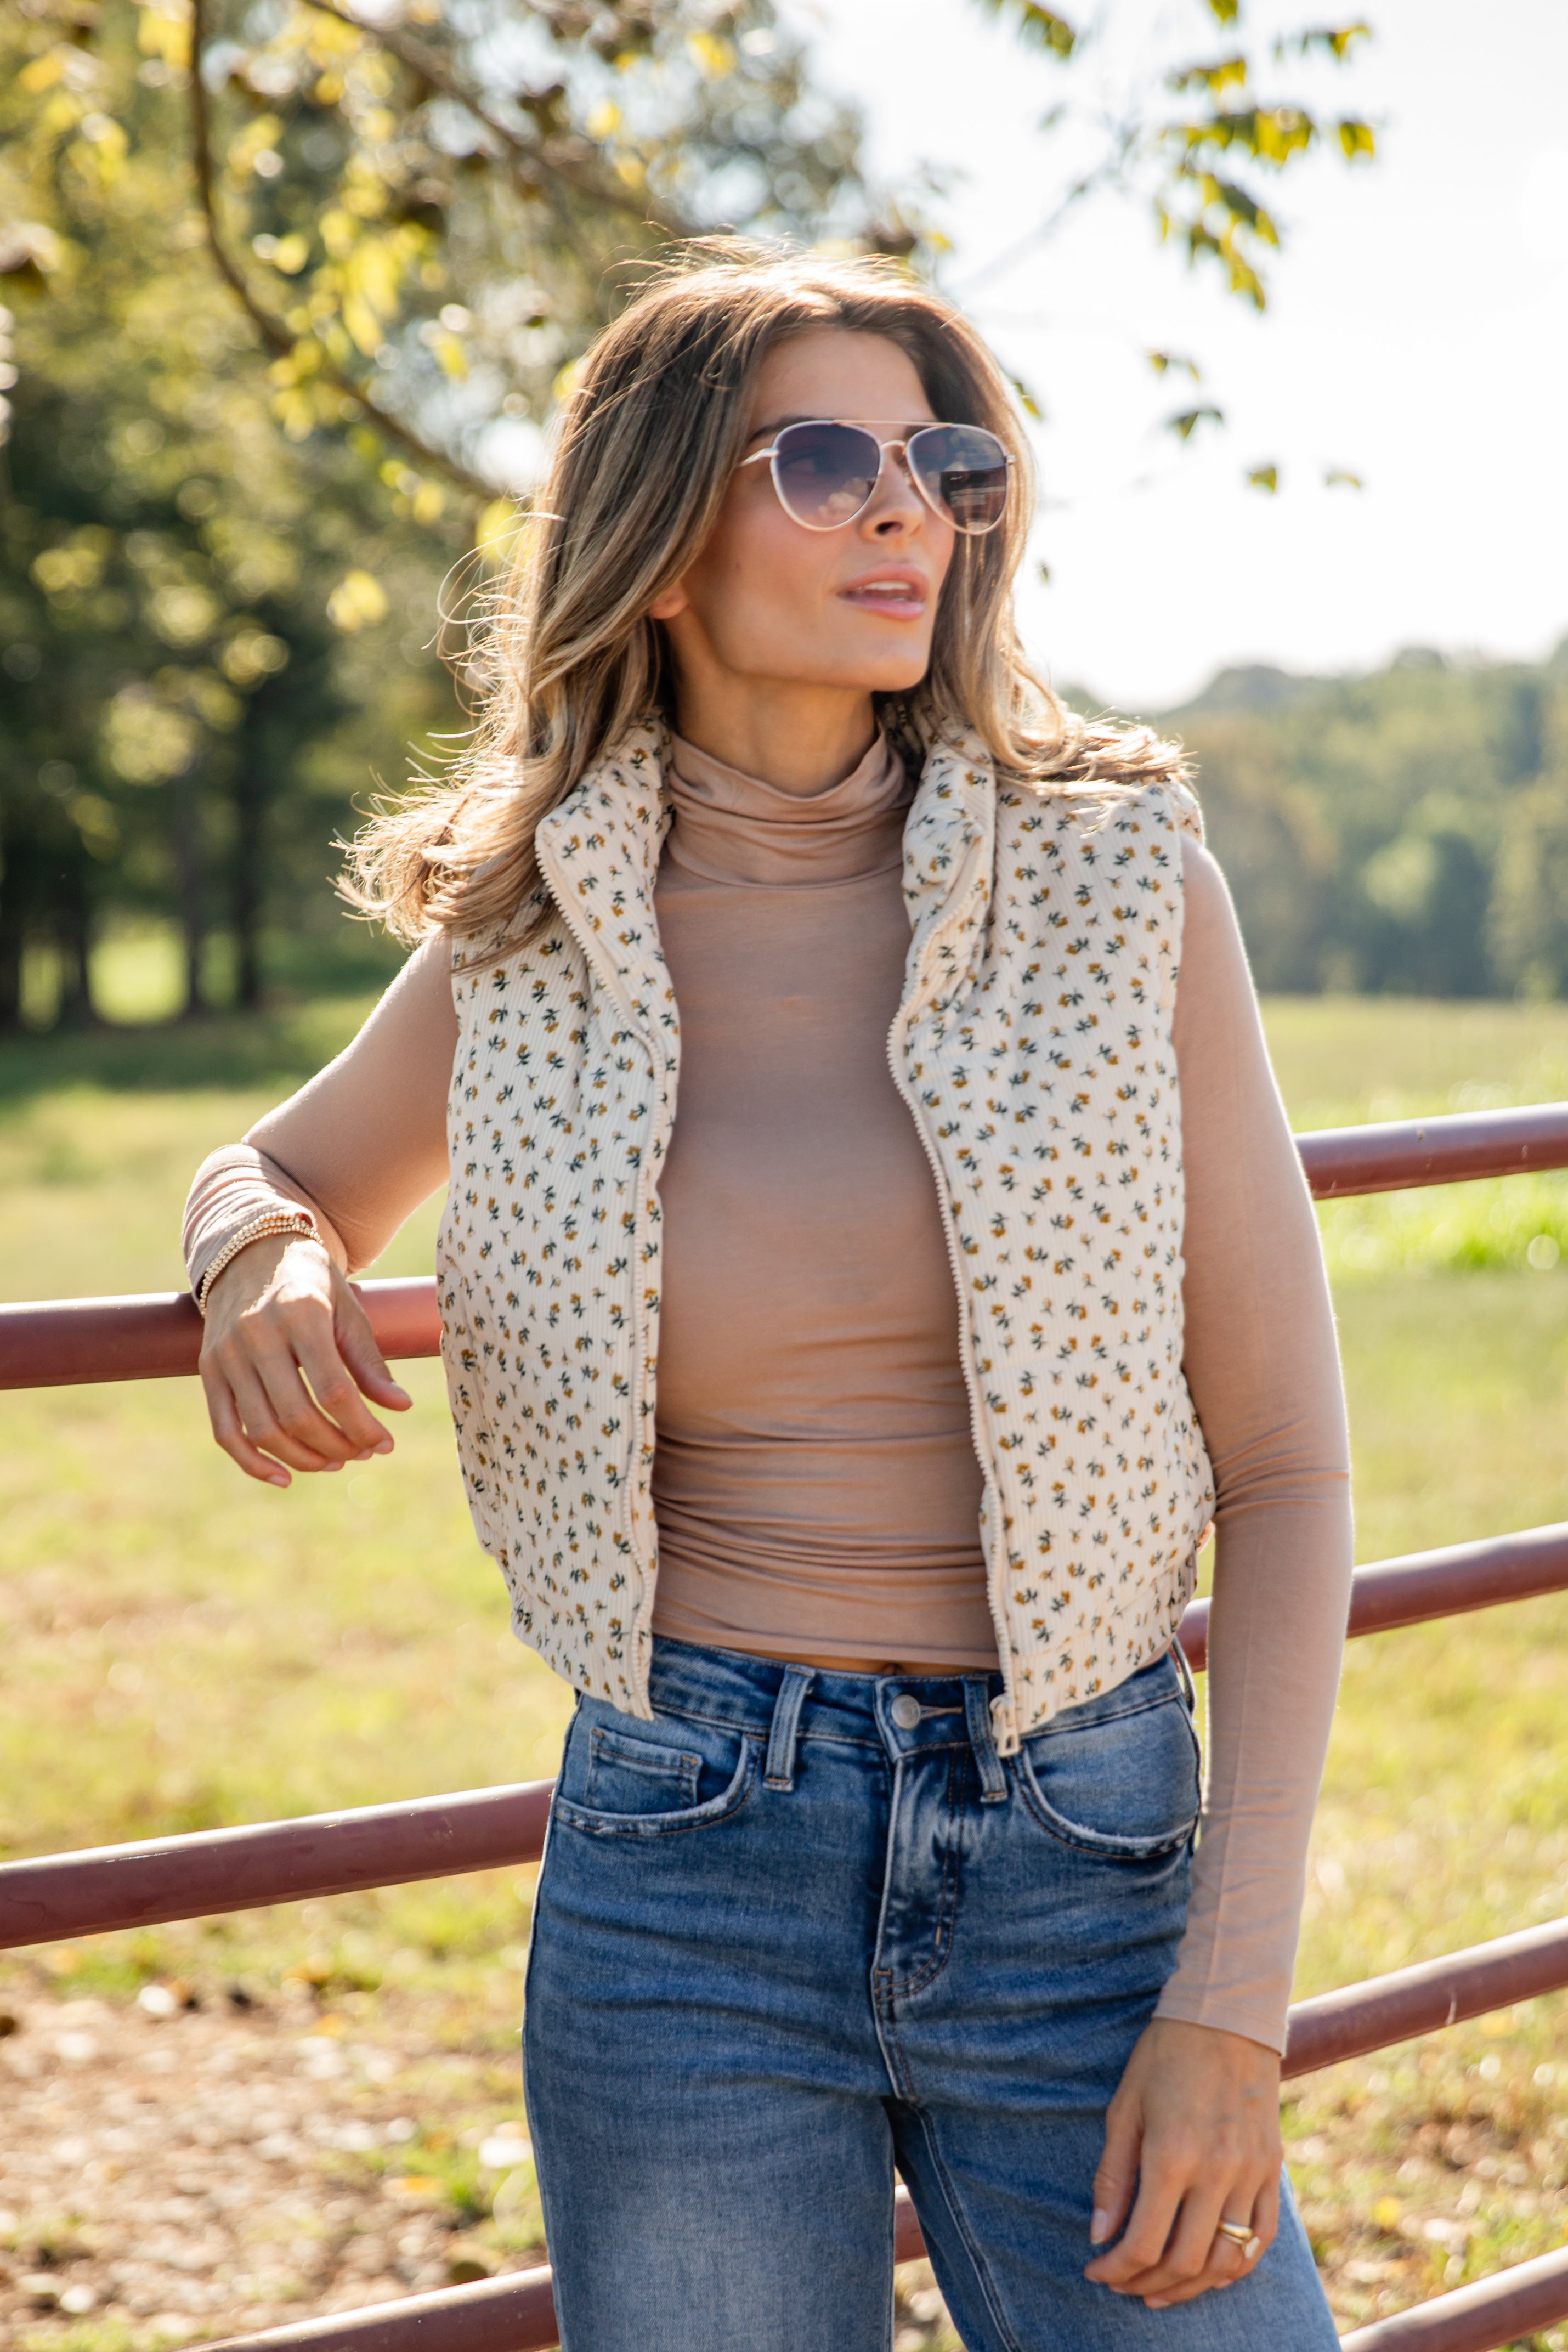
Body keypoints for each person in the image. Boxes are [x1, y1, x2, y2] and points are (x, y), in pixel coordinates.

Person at [183, 244, 1352, 2352]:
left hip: (1086, 1855)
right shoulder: (532, 926)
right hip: (684, 1865)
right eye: (820, 461)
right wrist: (257, 1254)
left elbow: (1277, 1460)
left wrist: (1232, 2010)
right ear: (652, 542)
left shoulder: (1116, 880)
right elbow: (276, 1166)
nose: (905, 510)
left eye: (939, 460)